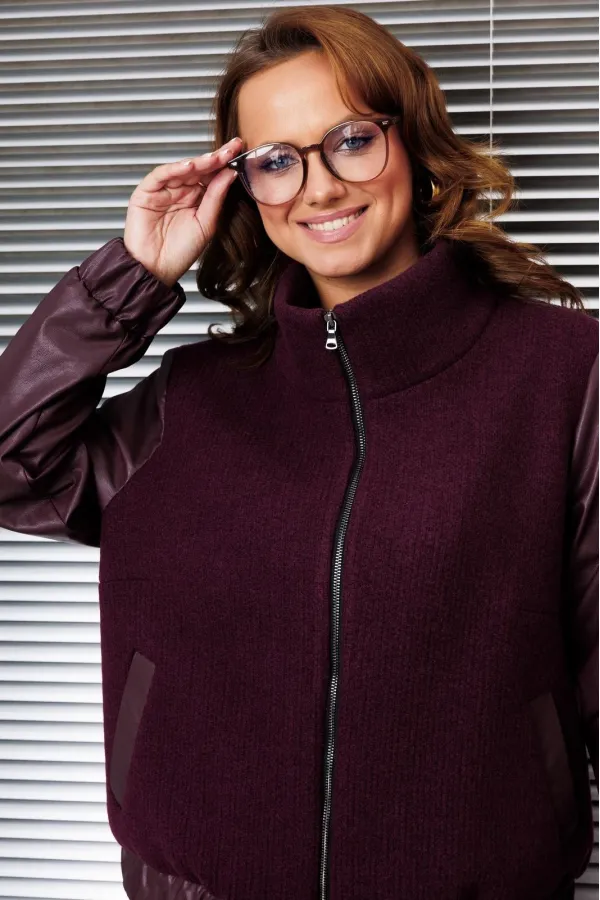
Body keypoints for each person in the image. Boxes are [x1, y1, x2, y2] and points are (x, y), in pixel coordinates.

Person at [0, 6, 596, 900]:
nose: (317, 188)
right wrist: (132, 275)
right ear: (243, 185)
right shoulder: (192, 399)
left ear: (412, 143)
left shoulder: (564, 375)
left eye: (351, 140)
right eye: (277, 160)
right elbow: (13, 464)